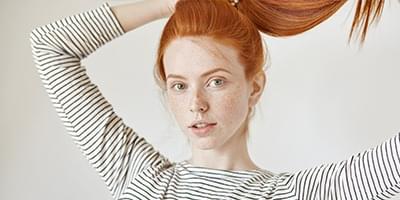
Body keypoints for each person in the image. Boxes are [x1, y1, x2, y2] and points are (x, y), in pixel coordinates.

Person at [29, 0, 399, 199]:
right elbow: (50, 45)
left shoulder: (297, 194)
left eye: (216, 81)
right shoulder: (138, 176)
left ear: (254, 87)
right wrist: (169, 4)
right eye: (179, 85)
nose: (196, 104)